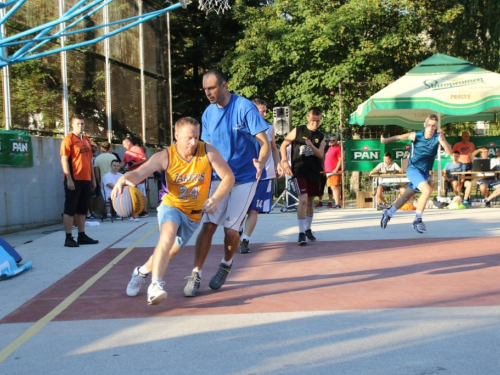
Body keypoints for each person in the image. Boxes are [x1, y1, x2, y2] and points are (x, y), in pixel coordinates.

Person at [119, 117, 234, 305]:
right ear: (176, 135)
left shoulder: (207, 151)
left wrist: (215, 198)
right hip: (171, 205)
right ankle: (155, 285)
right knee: (168, 234)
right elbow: (140, 172)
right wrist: (125, 177)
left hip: (194, 214)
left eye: (196, 137)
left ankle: (141, 272)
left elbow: (228, 176)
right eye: (189, 138)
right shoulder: (165, 156)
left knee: (169, 252)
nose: (193, 142)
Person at [182, 68, 270, 297]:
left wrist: (261, 163)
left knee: (231, 230)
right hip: (219, 178)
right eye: (204, 89)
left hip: (245, 178)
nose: (208, 93)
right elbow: (208, 149)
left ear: (223, 85)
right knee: (209, 225)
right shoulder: (208, 114)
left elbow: (265, 142)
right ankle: (195, 273)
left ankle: (226, 264)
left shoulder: (244, 108)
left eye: (211, 88)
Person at [380, 114, 452, 234]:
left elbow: (449, 152)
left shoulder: (438, 137)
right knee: (427, 190)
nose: (430, 128)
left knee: (406, 196)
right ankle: (417, 220)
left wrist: (443, 140)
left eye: (433, 126)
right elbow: (399, 137)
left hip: (423, 173)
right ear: (425, 124)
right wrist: (385, 140)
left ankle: (388, 213)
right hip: (413, 169)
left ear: (436, 127)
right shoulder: (416, 135)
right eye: (428, 125)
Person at [237, 99, 283, 254]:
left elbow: (273, 148)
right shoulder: (242, 127)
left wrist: (279, 163)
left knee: (254, 209)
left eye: (265, 110)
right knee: (241, 210)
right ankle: (238, 229)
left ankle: (245, 240)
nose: (264, 113)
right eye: (261, 111)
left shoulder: (269, 127)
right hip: (245, 174)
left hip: (264, 174)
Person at [280, 107, 326, 245]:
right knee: (303, 199)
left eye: (318, 121)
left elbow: (320, 154)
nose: (315, 123)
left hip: (314, 171)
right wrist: (284, 162)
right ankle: (300, 232)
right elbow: (284, 144)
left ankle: (308, 229)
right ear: (308, 118)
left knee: (311, 202)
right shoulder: (298, 130)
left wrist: (311, 145)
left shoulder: (321, 136)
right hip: (299, 171)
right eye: (313, 120)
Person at [60, 115, 99, 247]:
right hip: (74, 179)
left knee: (82, 209)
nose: (80, 126)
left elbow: (89, 161)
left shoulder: (87, 141)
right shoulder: (68, 139)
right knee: (70, 208)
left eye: (82, 124)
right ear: (72, 125)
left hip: (86, 179)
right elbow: (64, 160)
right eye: (77, 124)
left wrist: (93, 179)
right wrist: (69, 178)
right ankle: (68, 237)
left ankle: (82, 235)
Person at [121, 137, 149, 218]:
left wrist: (135, 164)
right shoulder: (126, 153)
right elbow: (123, 163)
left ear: (128, 142)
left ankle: (144, 211)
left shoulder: (137, 149)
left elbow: (145, 159)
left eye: (124, 144)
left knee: (142, 193)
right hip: (132, 176)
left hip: (141, 175)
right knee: (133, 193)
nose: (123, 146)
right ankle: (135, 210)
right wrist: (117, 167)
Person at [452, 131, 475, 206]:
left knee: (468, 181)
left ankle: (466, 199)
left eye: (468, 136)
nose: (467, 138)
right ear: (462, 136)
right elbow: (453, 154)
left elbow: (473, 155)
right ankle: (458, 198)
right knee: (459, 182)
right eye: (465, 136)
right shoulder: (457, 145)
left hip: (468, 165)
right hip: (460, 166)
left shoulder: (471, 144)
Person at [324, 134, 343, 209]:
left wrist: (336, 169)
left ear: (337, 141)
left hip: (334, 171)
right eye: (330, 140)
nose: (331, 142)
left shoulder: (338, 148)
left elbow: (340, 159)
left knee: (335, 187)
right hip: (328, 171)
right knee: (332, 187)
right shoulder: (330, 148)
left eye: (333, 140)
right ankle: (336, 203)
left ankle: (337, 203)